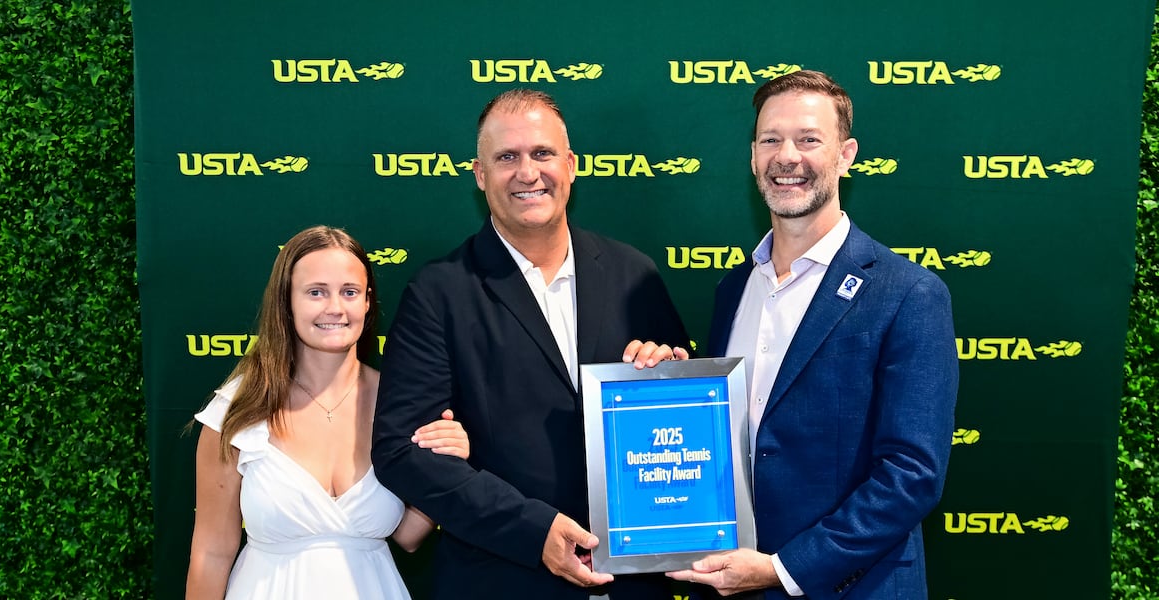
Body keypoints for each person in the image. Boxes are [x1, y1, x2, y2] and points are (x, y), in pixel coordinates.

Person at [371, 89, 692, 599]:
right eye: (507, 157)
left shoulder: (635, 276)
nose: (527, 172)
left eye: (542, 153)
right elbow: (401, 452)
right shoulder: (438, 292)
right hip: (501, 580)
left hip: (637, 582)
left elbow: (682, 428)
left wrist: (671, 381)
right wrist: (533, 532)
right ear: (480, 175)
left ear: (571, 165)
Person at [661, 70, 959, 598]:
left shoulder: (909, 293)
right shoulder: (734, 289)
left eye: (808, 139)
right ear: (753, 156)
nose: (787, 157)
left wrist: (783, 569)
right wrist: (667, 389)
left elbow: (911, 474)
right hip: (735, 583)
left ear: (846, 155)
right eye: (770, 140)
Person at [186, 225, 471, 600]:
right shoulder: (238, 409)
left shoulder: (401, 402)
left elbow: (408, 536)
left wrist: (447, 466)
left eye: (349, 292)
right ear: (286, 302)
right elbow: (211, 553)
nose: (335, 308)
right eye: (316, 292)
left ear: (367, 302)